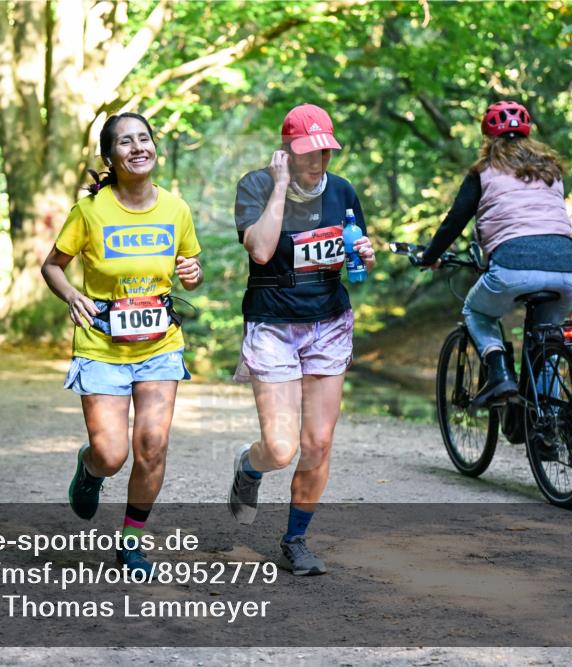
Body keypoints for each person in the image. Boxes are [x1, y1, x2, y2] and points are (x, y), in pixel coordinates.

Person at [41, 112, 203, 575]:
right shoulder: (90, 211)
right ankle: (89, 470)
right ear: (110, 156)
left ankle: (132, 541)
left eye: (144, 139)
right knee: (112, 454)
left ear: (155, 148)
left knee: (152, 444)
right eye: (126, 142)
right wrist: (72, 294)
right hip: (101, 344)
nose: (138, 148)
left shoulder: (176, 209)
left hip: (158, 343)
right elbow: (53, 265)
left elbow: (189, 269)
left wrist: (192, 273)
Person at [228, 103, 375, 576]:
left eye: (324, 152)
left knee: (317, 442)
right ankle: (249, 468)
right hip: (272, 323)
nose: (317, 162)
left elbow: (353, 254)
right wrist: (279, 189)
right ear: (287, 150)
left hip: (328, 322)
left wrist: (364, 253)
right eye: (307, 152)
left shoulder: (345, 191)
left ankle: (296, 540)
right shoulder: (255, 185)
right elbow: (262, 249)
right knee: (281, 447)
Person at [417, 100, 572, 406]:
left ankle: (500, 375)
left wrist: (430, 256)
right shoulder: (552, 171)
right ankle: (548, 427)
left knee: (476, 311)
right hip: (567, 270)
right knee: (546, 341)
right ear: (528, 133)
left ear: (488, 137)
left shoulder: (484, 171)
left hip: (513, 266)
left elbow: (456, 220)